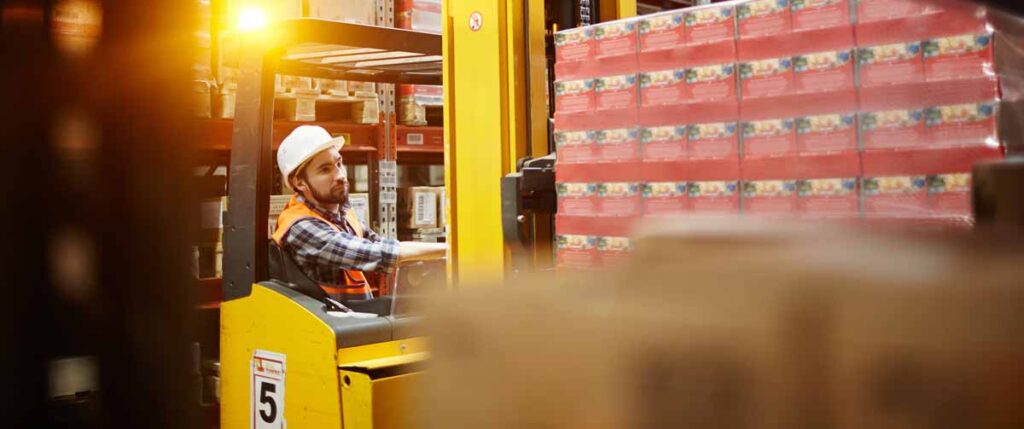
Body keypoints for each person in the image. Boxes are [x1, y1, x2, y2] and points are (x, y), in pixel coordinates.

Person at [271, 125, 446, 301]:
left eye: (339, 163)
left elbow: (382, 244)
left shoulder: (343, 215)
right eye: (325, 169)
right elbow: (377, 253)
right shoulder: (301, 227)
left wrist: (443, 252)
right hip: (323, 325)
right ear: (299, 182)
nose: (340, 175)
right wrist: (452, 249)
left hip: (349, 319)